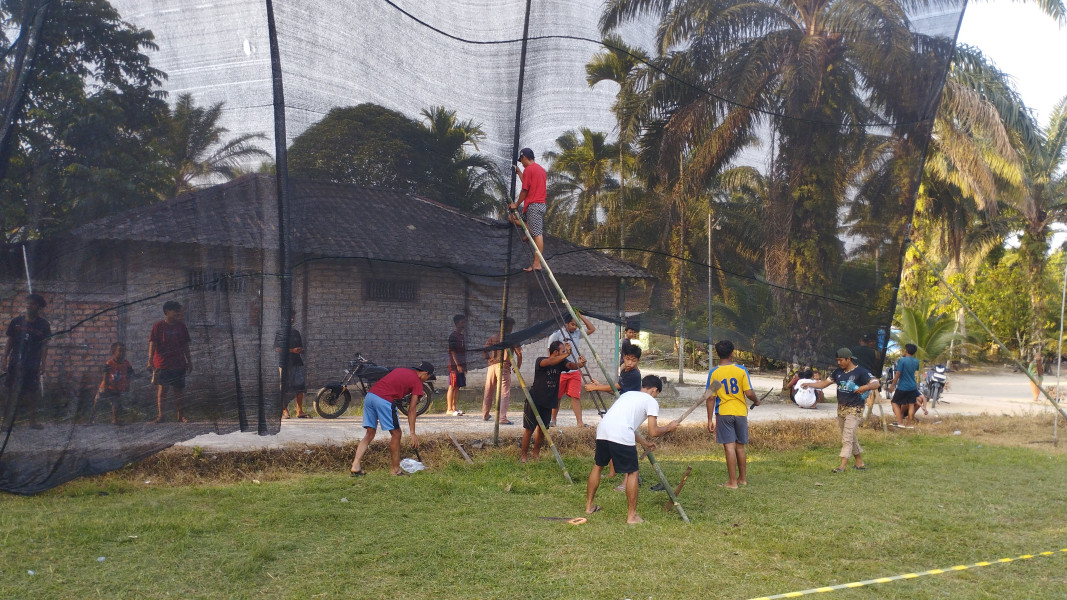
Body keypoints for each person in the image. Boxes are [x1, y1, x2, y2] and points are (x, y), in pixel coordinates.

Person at [585, 375, 679, 524]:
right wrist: (669, 427)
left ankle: (589, 506)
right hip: (621, 433)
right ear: (654, 390)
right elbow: (653, 431)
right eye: (656, 393)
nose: (655, 396)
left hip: (603, 429)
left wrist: (644, 442)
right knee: (632, 472)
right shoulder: (651, 401)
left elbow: (623, 422)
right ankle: (632, 516)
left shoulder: (628, 394)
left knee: (598, 466)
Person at [350, 362, 435, 476]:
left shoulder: (400, 369)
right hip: (384, 400)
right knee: (396, 434)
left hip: (370, 397)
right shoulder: (417, 382)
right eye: (427, 377)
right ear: (425, 373)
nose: (425, 380)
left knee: (369, 434)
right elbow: (412, 409)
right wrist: (413, 433)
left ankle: (355, 465)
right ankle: (395, 470)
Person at [802, 348, 880, 472]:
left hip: (855, 409)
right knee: (850, 436)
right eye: (837, 360)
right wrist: (809, 384)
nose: (839, 363)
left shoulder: (861, 372)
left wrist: (866, 386)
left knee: (847, 437)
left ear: (848, 359)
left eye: (841, 360)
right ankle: (859, 462)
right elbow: (824, 384)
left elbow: (876, 383)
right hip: (841, 409)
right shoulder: (837, 372)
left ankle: (842, 466)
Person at [707, 340, 760, 488]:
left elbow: (710, 397)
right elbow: (748, 392)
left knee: (729, 447)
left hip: (724, 412)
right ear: (732, 353)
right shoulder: (741, 370)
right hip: (740, 412)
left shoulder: (714, 373)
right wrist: (757, 400)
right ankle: (742, 479)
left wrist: (709, 419)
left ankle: (732, 482)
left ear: (717, 354)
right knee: (740, 447)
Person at [521, 340, 583, 462]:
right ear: (555, 352)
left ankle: (535, 454)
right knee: (529, 429)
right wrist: (566, 354)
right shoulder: (541, 360)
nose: (565, 353)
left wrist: (580, 364)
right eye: (563, 351)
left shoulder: (562, 362)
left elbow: (571, 366)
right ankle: (523, 456)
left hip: (548, 401)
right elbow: (549, 362)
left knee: (543, 430)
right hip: (535, 400)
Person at [3, 293, 50, 429]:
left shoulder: (43, 325)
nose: (29, 305)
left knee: (32, 393)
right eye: (28, 303)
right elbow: (9, 341)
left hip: (32, 364)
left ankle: (32, 422)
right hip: (15, 362)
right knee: (10, 391)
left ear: (38, 307)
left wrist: (43, 363)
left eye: (33, 303)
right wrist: (4, 358)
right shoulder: (16, 322)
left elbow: (45, 345)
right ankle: (6, 423)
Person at [147, 300, 193, 423]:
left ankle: (181, 416)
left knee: (179, 391)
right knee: (163, 390)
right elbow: (153, 343)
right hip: (163, 363)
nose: (178, 313)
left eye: (179, 311)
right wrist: (150, 360)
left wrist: (189, 361)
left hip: (179, 363)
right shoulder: (158, 326)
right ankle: (161, 416)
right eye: (175, 311)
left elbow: (185, 345)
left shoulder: (181, 326)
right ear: (167, 312)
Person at [549, 312, 595, 427]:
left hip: (574, 371)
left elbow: (592, 329)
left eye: (576, 325)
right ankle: (553, 420)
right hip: (561, 371)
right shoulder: (557, 335)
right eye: (572, 324)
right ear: (566, 323)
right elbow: (550, 353)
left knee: (575, 396)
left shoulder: (577, 333)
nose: (574, 327)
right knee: (557, 397)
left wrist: (580, 317)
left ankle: (580, 422)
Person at [508, 147, 547, 272]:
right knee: (512, 218)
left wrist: (516, 203)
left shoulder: (529, 169)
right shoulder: (540, 170)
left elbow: (525, 190)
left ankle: (537, 263)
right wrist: (519, 172)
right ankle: (528, 229)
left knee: (537, 234)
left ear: (524, 157)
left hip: (535, 205)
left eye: (521, 160)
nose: (522, 162)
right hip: (533, 206)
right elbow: (528, 183)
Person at [482, 317, 520, 425]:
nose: (512, 328)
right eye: (511, 326)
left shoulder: (493, 337)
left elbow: (484, 349)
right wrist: (517, 367)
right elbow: (519, 353)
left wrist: (488, 359)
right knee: (504, 393)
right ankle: (502, 418)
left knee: (489, 390)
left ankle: (485, 414)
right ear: (508, 326)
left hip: (491, 366)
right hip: (503, 366)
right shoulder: (511, 338)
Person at [274, 312, 308, 418]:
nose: (292, 319)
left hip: (296, 363)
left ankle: (299, 411)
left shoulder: (296, 333)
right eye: (290, 317)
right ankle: (285, 411)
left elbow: (301, 348)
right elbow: (277, 348)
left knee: (300, 386)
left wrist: (300, 350)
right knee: (283, 387)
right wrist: (292, 350)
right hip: (284, 364)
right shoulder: (280, 333)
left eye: (293, 317)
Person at [91, 342, 134, 425]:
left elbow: (129, 375)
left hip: (117, 388)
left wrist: (127, 385)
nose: (122, 353)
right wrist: (105, 388)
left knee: (115, 404)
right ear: (114, 352)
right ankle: (91, 418)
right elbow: (105, 376)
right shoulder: (109, 363)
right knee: (97, 402)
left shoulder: (126, 364)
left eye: (124, 351)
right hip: (106, 386)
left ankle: (115, 420)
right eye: (120, 351)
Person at [889, 343, 921, 427]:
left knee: (894, 402)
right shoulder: (916, 361)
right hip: (913, 386)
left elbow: (898, 373)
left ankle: (900, 422)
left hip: (903, 386)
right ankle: (909, 424)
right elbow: (913, 372)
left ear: (906, 350)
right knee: (911, 404)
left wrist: (892, 385)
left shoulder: (902, 360)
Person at [446, 314, 467, 416]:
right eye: (462, 322)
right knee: (452, 386)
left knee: (458, 386)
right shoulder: (453, 336)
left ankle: (454, 407)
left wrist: (464, 366)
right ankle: (449, 409)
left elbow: (462, 352)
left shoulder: (462, 336)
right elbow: (453, 352)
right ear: (457, 323)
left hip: (462, 365)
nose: (464, 324)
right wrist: (457, 365)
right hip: (454, 367)